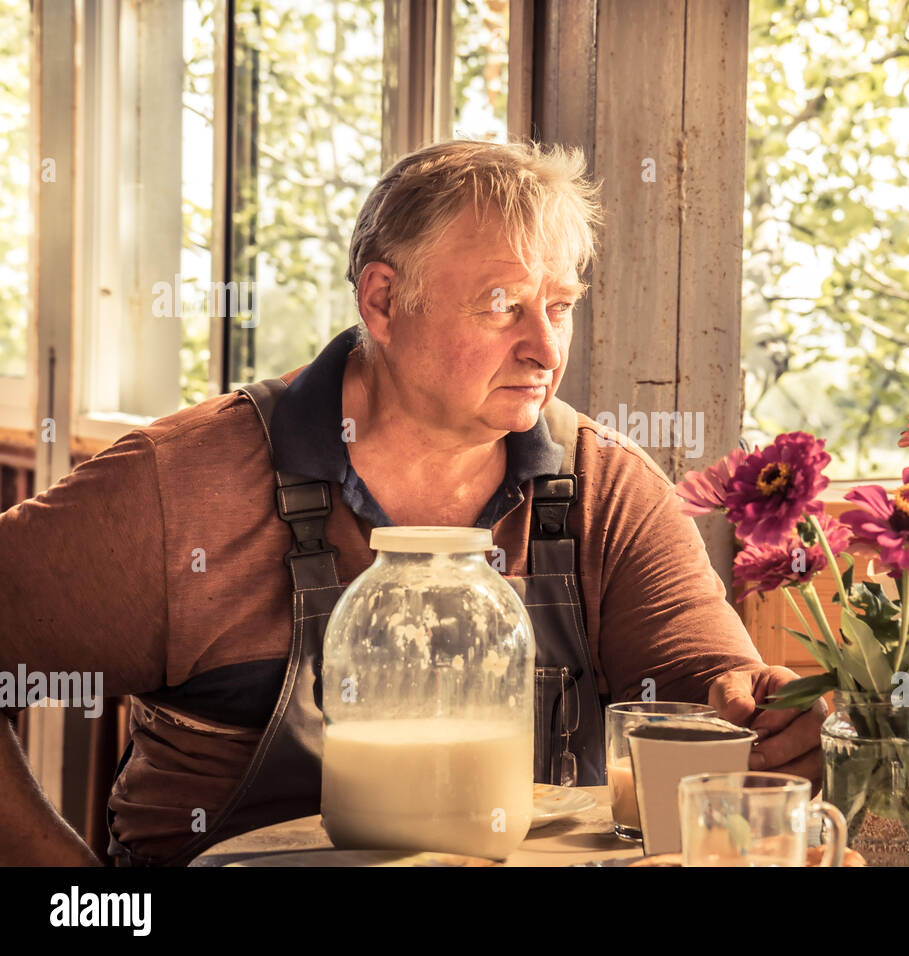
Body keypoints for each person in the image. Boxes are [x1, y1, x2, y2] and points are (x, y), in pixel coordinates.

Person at [0, 140, 825, 867]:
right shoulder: (181, 486)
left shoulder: (607, 490)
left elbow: (709, 688)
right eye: (502, 304)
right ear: (383, 301)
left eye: (560, 306)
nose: (545, 346)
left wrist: (762, 715)